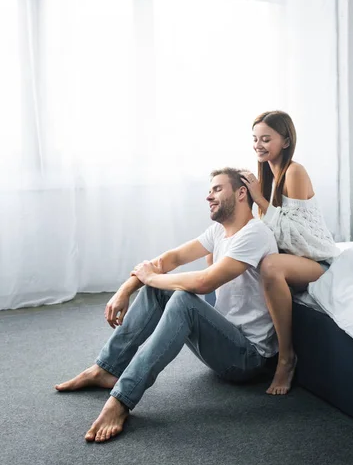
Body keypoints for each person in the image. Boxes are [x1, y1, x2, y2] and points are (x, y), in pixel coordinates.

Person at [55, 167, 279, 443]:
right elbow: (168, 260)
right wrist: (128, 288)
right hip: (222, 340)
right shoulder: (219, 232)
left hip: (247, 358)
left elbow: (204, 283)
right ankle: (106, 368)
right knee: (164, 290)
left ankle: (122, 399)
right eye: (209, 190)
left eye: (217, 189)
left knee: (183, 297)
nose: (209, 196)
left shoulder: (255, 233)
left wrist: (153, 278)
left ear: (242, 193)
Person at [239, 111, 340, 396]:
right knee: (235, 257)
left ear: (285, 141)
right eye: (255, 139)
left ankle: (286, 357)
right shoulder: (268, 175)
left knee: (270, 266)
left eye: (266, 139)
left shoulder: (295, 171)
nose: (258, 145)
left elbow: (296, 236)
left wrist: (258, 197)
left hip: (316, 261)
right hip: (297, 260)